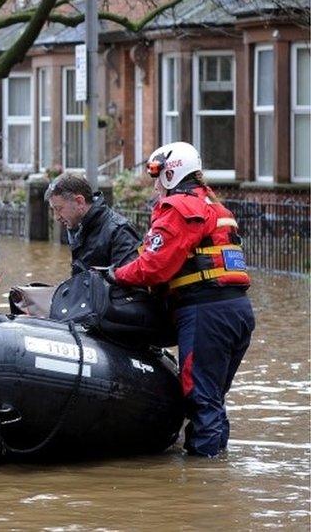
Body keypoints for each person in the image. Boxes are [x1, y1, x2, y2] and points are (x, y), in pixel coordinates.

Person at [107, 141, 254, 457]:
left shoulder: (180, 208)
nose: (156, 184)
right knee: (211, 396)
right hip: (235, 310)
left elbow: (154, 267)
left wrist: (115, 275)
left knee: (200, 396)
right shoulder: (214, 206)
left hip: (206, 311)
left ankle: (203, 478)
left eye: (158, 175)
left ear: (173, 173)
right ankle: (217, 470)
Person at [46, 172, 141, 276]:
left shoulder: (120, 232)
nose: (56, 217)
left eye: (58, 209)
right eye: (53, 210)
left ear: (80, 202)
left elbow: (133, 285)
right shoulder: (78, 227)